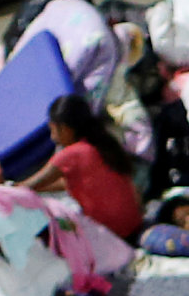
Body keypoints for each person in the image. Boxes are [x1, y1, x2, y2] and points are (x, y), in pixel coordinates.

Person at [29, 93, 143, 243]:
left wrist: (9, 185)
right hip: (134, 225)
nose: (52, 137)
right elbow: (71, 184)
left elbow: (30, 184)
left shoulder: (71, 154)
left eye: (53, 129)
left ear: (64, 128)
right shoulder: (100, 144)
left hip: (114, 235)